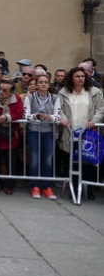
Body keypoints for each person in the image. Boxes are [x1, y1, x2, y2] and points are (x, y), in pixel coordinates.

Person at [58, 66, 104, 200]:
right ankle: (74, 188)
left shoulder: (95, 92)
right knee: (71, 162)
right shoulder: (64, 92)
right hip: (70, 131)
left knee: (87, 161)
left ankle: (87, 189)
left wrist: (95, 120)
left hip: (88, 132)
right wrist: (63, 119)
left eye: (82, 76)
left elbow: (101, 109)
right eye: (77, 76)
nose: (80, 78)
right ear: (71, 78)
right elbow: (60, 109)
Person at [24, 73, 61, 199]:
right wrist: (36, 116)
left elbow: (58, 116)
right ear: (36, 85)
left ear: (49, 84)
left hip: (49, 132)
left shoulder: (55, 98)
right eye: (41, 82)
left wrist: (50, 117)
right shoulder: (30, 98)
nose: (43, 84)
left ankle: (47, 187)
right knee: (34, 159)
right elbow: (26, 116)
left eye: (46, 82)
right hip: (34, 132)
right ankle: (35, 186)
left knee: (48, 160)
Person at [0, 79, 24, 195]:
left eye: (5, 90)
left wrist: (6, 117)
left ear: (11, 92)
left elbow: (19, 114)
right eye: (0, 89)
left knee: (11, 163)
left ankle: (9, 185)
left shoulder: (17, 99)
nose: (1, 92)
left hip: (11, 136)